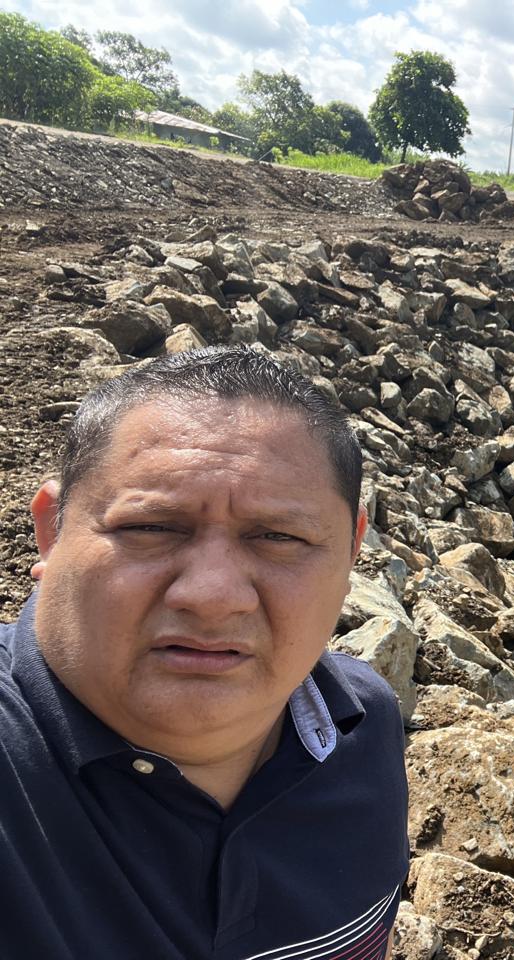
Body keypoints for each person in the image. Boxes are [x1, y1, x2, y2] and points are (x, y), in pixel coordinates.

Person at [0, 346, 410, 959]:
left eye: (278, 536)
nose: (212, 597)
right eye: (151, 527)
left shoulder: (365, 724)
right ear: (51, 531)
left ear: (352, 550)